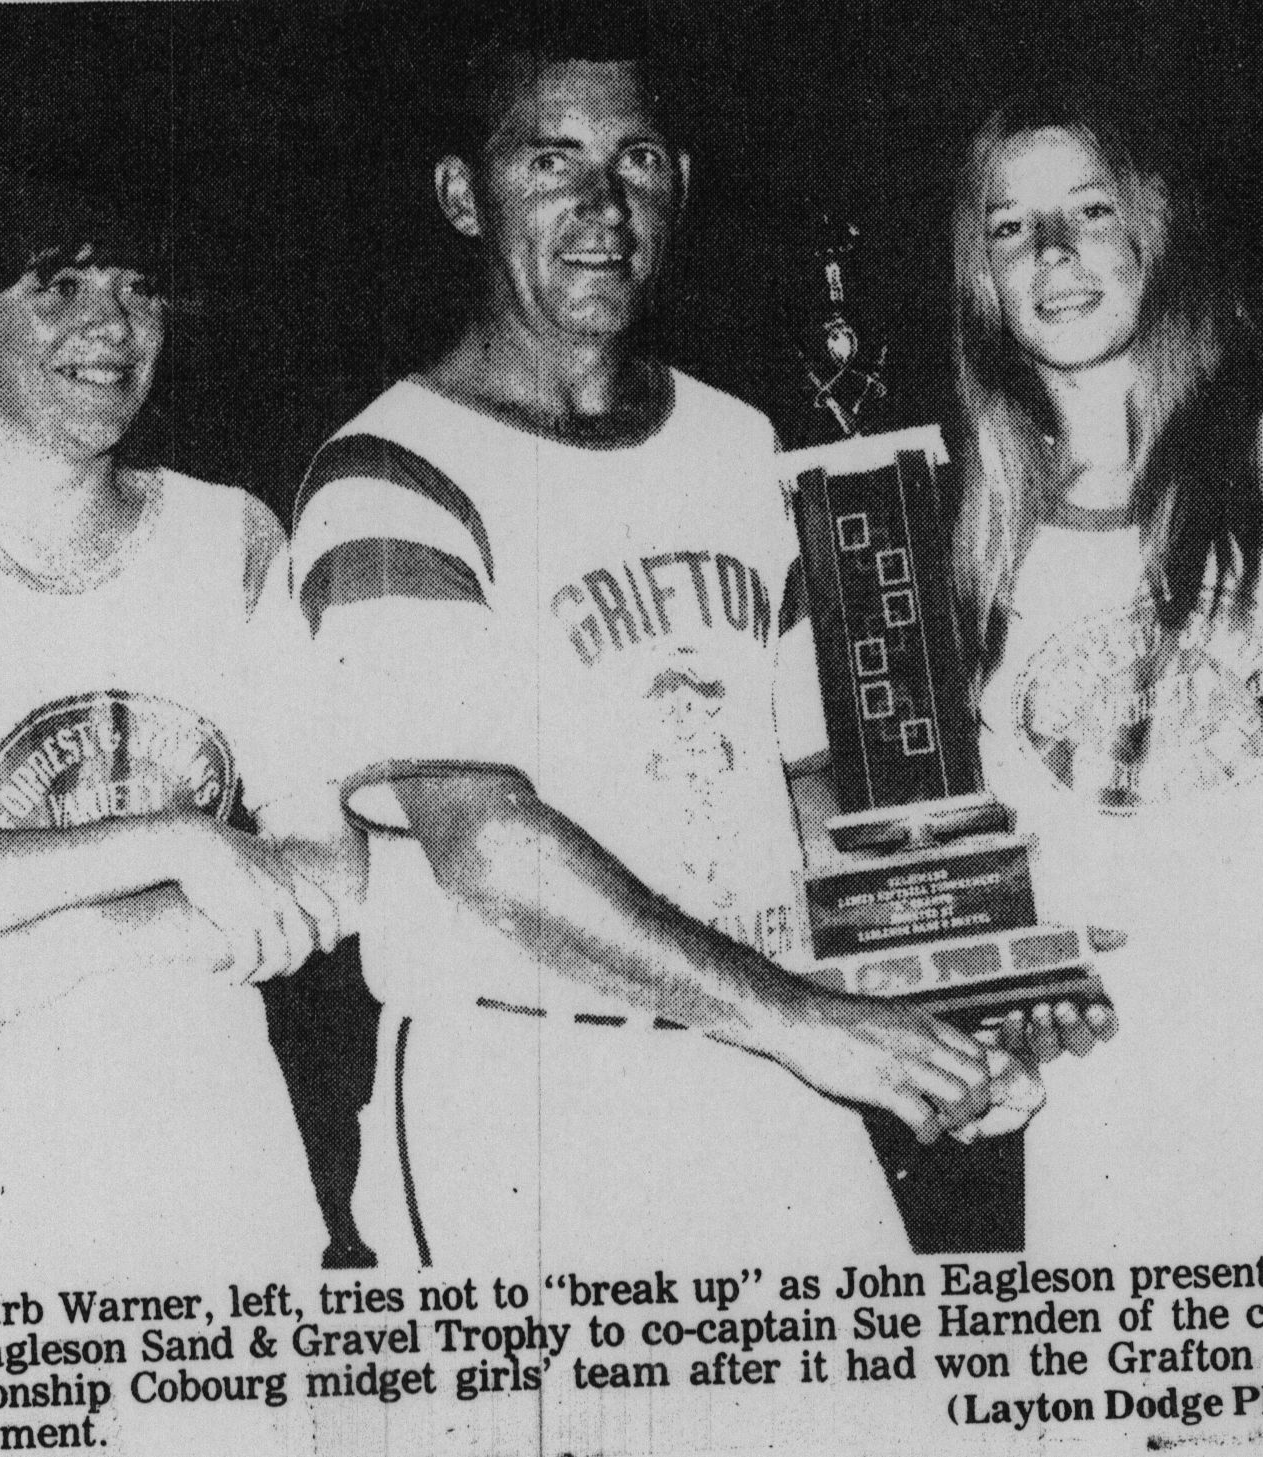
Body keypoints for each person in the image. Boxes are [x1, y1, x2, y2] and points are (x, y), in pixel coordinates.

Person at [291, 22, 1036, 1272]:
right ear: (461, 196)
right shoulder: (387, 472)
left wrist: (941, 996)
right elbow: (486, 843)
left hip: (771, 1072)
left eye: (635, 160)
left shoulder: (741, 440)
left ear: (677, 186)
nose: (600, 206)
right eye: (550, 161)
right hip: (526, 1087)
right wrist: (811, 1021)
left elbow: (806, 783)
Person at [0, 169, 361, 1305]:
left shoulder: (230, 533)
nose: (110, 325)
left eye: (140, 289)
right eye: (59, 285)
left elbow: (334, 868)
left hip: (213, 1165)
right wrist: (178, 841)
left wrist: (82, 939)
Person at [948, 90, 1263, 1249]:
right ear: (981, 281)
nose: (1050, 252)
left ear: (1159, 234)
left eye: (1088, 211)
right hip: (1107, 1146)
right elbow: (976, 891)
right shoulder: (962, 545)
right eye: (1009, 227)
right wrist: (1000, 998)